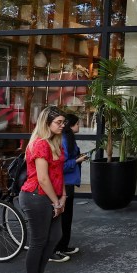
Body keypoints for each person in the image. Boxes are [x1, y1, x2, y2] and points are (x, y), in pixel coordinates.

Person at [19, 106, 67, 273]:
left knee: (55, 236)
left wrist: (63, 196)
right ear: (46, 123)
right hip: (36, 197)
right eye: (58, 122)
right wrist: (56, 202)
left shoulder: (56, 143)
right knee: (38, 242)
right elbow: (43, 178)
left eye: (63, 122)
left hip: (51, 197)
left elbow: (59, 173)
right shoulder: (40, 144)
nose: (63, 125)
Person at [51, 112, 88, 263]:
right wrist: (78, 160)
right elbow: (61, 166)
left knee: (67, 217)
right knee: (62, 217)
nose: (79, 126)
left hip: (69, 182)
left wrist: (78, 158)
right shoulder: (64, 141)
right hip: (63, 183)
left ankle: (64, 246)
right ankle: (56, 248)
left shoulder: (69, 139)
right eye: (77, 123)